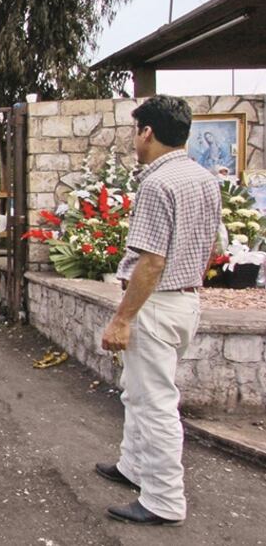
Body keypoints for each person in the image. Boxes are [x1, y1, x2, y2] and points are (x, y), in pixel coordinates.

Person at [98, 95, 221, 526]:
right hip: (184, 300)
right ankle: (134, 466)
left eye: (136, 131)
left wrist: (123, 317)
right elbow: (213, 247)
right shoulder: (205, 179)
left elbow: (151, 260)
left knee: (154, 403)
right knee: (139, 390)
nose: (135, 139)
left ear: (147, 132)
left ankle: (164, 499)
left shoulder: (157, 182)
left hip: (156, 302)